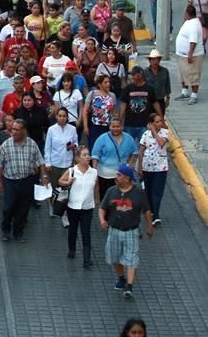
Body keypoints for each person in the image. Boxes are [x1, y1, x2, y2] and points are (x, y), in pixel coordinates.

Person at [98, 164, 155, 300]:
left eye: (119, 175)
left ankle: (129, 286)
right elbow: (102, 208)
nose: (116, 177)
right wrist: (102, 220)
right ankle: (121, 277)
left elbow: (147, 211)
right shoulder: (111, 191)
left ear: (127, 178)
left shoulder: (138, 193)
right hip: (114, 231)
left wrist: (149, 226)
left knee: (131, 259)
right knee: (115, 257)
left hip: (131, 231)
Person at [0, 118, 49, 243]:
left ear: (23, 131)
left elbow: (40, 162)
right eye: (13, 129)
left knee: (23, 209)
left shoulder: (31, 144)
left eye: (17, 130)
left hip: (26, 181)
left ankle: (18, 232)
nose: (14, 132)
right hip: (10, 181)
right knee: (8, 207)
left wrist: (44, 177)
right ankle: (6, 229)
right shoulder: (6, 145)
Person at [58, 145, 98, 269]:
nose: (87, 157)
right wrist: (67, 182)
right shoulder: (72, 171)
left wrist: (97, 200)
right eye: (84, 155)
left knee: (86, 232)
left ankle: (87, 260)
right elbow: (60, 181)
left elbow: (96, 187)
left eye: (88, 155)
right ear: (77, 158)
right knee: (73, 230)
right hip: (73, 206)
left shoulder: (94, 172)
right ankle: (72, 249)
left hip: (87, 207)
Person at [91, 116, 138, 197]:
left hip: (122, 174)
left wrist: (129, 165)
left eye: (118, 126)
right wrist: (94, 172)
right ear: (109, 127)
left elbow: (134, 152)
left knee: (121, 198)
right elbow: (95, 155)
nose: (115, 129)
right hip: (105, 174)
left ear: (122, 127)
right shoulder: (102, 138)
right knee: (105, 197)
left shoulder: (128, 138)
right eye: (113, 126)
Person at [137, 113, 169, 224]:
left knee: (157, 191)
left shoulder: (165, 133)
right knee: (148, 190)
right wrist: (139, 167)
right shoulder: (145, 134)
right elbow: (141, 151)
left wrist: (154, 131)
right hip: (147, 167)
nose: (160, 123)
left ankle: (156, 214)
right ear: (151, 123)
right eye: (157, 122)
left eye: (161, 121)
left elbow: (161, 143)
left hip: (160, 168)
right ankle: (149, 211)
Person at [175, 5, 206, 104]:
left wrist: (190, 53)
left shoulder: (194, 25)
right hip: (182, 55)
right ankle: (184, 92)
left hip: (193, 56)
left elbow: (193, 41)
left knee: (193, 76)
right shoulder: (189, 22)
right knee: (183, 74)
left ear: (188, 13)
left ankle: (194, 95)